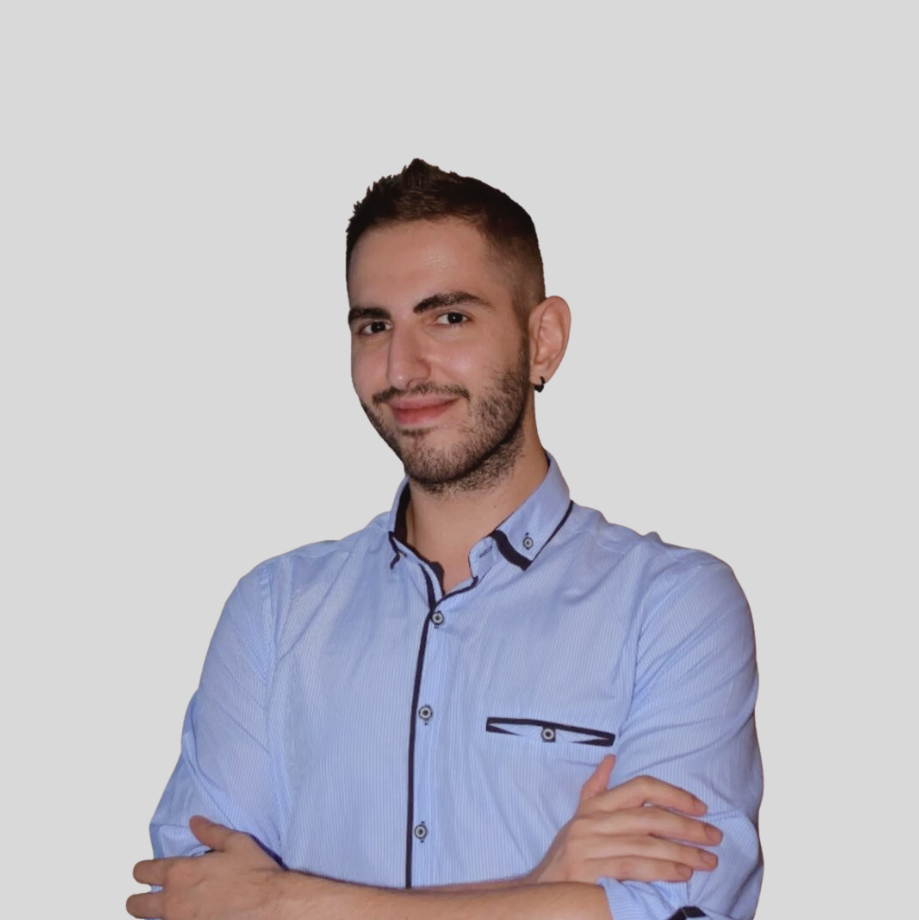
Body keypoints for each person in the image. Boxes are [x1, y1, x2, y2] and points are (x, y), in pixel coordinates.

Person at [127, 159, 763, 920]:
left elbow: (672, 911)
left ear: (543, 341)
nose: (403, 369)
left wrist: (282, 902)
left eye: (449, 317)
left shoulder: (672, 607)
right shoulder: (272, 611)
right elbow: (191, 901)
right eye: (374, 326)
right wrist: (539, 889)